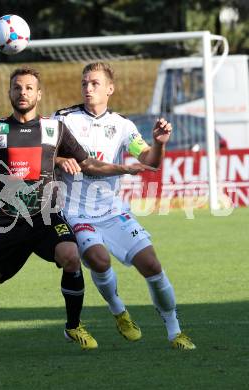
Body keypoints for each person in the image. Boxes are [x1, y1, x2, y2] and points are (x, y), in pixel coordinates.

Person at [0, 66, 153, 360]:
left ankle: (73, 326)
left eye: (29, 88)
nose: (23, 93)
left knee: (71, 256)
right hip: (9, 222)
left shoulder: (54, 129)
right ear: (10, 93)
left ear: (38, 94)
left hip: (47, 217)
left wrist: (124, 168)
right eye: (17, 88)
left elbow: (88, 163)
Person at [53, 62, 196, 350]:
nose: (88, 88)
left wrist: (159, 143)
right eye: (84, 83)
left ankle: (175, 331)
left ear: (110, 88)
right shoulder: (64, 120)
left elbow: (150, 161)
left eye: (94, 83)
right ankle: (119, 311)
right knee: (99, 259)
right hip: (75, 212)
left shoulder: (122, 125)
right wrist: (58, 160)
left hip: (112, 211)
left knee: (152, 265)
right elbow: (42, 154)